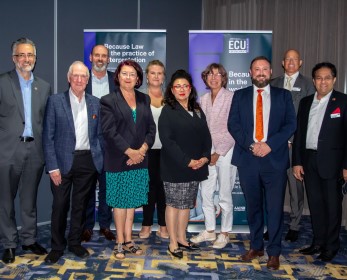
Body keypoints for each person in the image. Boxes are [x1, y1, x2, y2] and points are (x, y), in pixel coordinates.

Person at [228, 56, 296, 270]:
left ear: (271, 71)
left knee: (275, 209)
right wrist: (251, 145)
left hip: (274, 160)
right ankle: (256, 246)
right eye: (257, 69)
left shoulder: (283, 96)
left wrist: (269, 145)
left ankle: (274, 252)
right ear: (250, 72)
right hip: (248, 160)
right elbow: (234, 124)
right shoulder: (239, 96)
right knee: (253, 207)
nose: (261, 72)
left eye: (264, 69)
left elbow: (290, 125)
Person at [42, 61, 103, 264]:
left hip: (87, 162)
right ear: (69, 78)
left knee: (80, 206)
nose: (79, 79)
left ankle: (74, 243)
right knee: (60, 205)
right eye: (75, 76)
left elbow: (100, 136)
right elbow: (47, 137)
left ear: (87, 80)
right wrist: (52, 167)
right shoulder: (55, 101)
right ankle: (57, 246)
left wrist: (99, 161)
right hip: (61, 163)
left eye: (83, 76)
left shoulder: (95, 102)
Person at [0, 38, 51, 264]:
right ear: (14, 58)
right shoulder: (2, 82)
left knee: (29, 200)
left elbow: (46, 122)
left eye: (30, 55)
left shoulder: (44, 86)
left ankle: (29, 240)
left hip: (35, 151)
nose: (26, 59)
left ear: (35, 58)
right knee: (5, 201)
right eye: (21, 55)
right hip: (8, 151)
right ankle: (10, 243)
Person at [100, 60, 156, 259]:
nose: (128, 77)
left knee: (131, 203)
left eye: (132, 74)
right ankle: (119, 242)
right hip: (118, 160)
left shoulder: (144, 99)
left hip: (140, 159)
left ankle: (129, 240)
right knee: (120, 204)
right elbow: (109, 132)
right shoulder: (108, 100)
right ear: (118, 76)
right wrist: (129, 151)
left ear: (138, 78)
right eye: (124, 73)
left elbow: (151, 129)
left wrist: (141, 150)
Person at [292, 62, 347, 262]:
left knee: (332, 206)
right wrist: (297, 162)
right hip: (309, 160)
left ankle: (331, 246)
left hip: (333, 163)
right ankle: (317, 242)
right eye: (318, 78)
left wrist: (346, 166)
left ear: (334, 79)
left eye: (327, 78)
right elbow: (299, 134)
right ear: (314, 80)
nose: (322, 81)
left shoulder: (343, 101)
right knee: (315, 204)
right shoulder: (306, 102)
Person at [159, 69, 212, 259]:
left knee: (186, 205)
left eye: (185, 86)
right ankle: (173, 242)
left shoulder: (196, 109)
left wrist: (205, 157)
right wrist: (187, 161)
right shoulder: (168, 111)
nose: (181, 89)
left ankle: (182, 238)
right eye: (177, 86)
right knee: (174, 205)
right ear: (171, 90)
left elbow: (207, 136)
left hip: (196, 166)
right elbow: (168, 141)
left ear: (190, 89)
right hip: (175, 167)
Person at [266, 49, 315, 242]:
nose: (291, 62)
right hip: (275, 147)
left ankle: (294, 225)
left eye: (295, 59)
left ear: (300, 62)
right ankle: (272, 225)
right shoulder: (273, 83)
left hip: (295, 146)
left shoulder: (308, 85)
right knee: (274, 189)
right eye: (288, 59)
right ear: (282, 62)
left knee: (296, 189)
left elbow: (308, 117)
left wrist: (293, 141)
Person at [190, 63, 237, 249]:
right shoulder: (202, 100)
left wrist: (218, 152)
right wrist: (206, 153)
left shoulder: (232, 98)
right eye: (210, 74)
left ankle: (225, 232)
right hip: (206, 153)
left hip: (225, 152)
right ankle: (210, 230)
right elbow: (200, 129)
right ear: (205, 78)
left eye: (218, 74)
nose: (214, 77)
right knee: (206, 192)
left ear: (223, 78)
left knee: (225, 194)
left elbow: (234, 127)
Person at [82, 44, 116, 242]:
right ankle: (86, 226)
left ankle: (104, 225)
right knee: (87, 188)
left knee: (106, 187)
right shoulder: (81, 79)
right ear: (91, 57)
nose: (100, 59)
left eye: (104, 56)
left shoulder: (116, 81)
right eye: (97, 55)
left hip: (110, 143)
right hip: (88, 141)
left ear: (108, 59)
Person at [139, 60, 169, 239]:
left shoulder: (170, 97)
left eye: (160, 73)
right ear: (147, 76)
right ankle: (146, 224)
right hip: (146, 150)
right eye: (153, 73)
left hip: (166, 151)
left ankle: (164, 226)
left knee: (163, 189)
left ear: (163, 76)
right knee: (148, 188)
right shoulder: (140, 97)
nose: (156, 76)